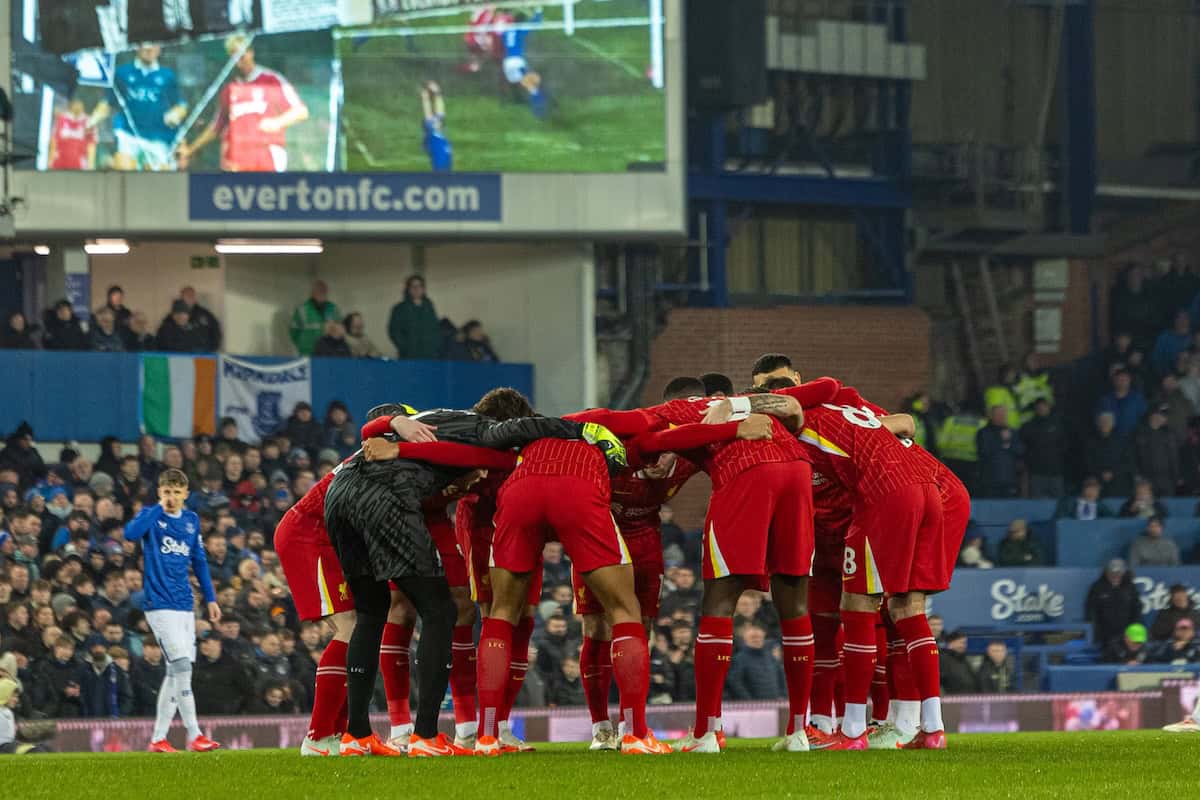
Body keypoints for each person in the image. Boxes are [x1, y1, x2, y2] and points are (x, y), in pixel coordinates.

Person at [123, 468, 221, 753]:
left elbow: (200, 562)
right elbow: (130, 534)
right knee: (180, 667)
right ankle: (195, 734)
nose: (172, 497)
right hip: (159, 604)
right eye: (167, 492)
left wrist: (211, 599)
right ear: (159, 492)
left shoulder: (191, 521)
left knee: (176, 672)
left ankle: (158, 739)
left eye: (177, 492)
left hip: (184, 605)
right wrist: (156, 509)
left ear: (185, 494)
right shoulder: (151, 517)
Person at [177, 33, 309, 173]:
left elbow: (301, 111)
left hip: (267, 160)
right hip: (235, 163)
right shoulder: (229, 89)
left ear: (250, 53)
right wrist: (191, 150)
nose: (239, 62)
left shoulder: (271, 80)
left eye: (241, 56)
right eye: (233, 58)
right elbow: (216, 127)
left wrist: (277, 122)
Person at [90, 43, 186, 171]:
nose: (148, 48)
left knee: (160, 178)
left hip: (158, 138)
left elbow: (181, 105)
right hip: (128, 135)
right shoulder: (122, 73)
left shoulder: (168, 76)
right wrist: (92, 120)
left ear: (159, 49)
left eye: (153, 44)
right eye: (144, 45)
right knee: (124, 169)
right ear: (136, 47)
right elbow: (108, 102)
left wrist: (175, 114)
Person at [1085, 559, 1141, 646]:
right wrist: (1096, 634)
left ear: (1123, 573)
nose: (1115, 577)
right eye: (1112, 574)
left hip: (1126, 634)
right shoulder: (1097, 587)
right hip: (1104, 634)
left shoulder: (1130, 587)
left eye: (1118, 574)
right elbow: (1091, 611)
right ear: (1106, 573)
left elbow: (1136, 610)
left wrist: (1132, 632)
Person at [726, 624, 786, 700]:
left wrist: (783, 696)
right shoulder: (738, 660)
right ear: (745, 638)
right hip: (754, 708)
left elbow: (781, 678)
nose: (756, 639)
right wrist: (749, 701)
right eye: (752, 637)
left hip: (775, 705)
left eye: (759, 637)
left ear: (763, 637)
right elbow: (735, 684)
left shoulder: (771, 658)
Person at [1020, 398, 1066, 498]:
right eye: (1039, 407)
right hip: (1036, 474)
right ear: (1035, 409)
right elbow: (1023, 449)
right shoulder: (1028, 427)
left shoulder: (1058, 425)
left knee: (1058, 504)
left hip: (1056, 473)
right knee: (1037, 504)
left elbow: (1065, 446)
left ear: (1049, 407)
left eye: (1044, 406)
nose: (1041, 409)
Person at [388, 275, 441, 360]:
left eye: (419, 286)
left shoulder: (429, 306)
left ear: (423, 289)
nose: (416, 289)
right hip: (409, 356)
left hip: (431, 355)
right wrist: (406, 347)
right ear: (408, 289)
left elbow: (435, 328)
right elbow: (394, 331)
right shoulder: (399, 308)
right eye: (413, 286)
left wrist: (436, 346)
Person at [975, 404, 1024, 498]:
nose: (1001, 417)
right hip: (990, 479)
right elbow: (984, 451)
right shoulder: (984, 432)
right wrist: (1003, 442)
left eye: (1003, 414)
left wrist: (1007, 444)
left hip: (1009, 479)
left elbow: (1020, 450)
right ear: (991, 416)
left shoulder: (1012, 432)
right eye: (998, 414)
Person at [1084, 412, 1136, 498]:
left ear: (1112, 424)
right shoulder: (1091, 441)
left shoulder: (1121, 441)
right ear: (1098, 423)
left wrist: (1113, 473)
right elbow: (1088, 461)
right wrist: (1100, 473)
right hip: (1097, 483)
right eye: (1103, 422)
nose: (1105, 424)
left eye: (1108, 422)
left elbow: (1128, 461)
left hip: (1119, 483)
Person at [1134, 406, 1180, 498]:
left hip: (1166, 480)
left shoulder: (1169, 433)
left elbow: (1174, 458)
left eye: (1165, 415)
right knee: (1150, 510)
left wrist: (1176, 477)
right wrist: (1139, 477)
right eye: (1162, 414)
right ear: (1153, 415)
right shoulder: (1140, 433)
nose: (1165, 418)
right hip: (1147, 480)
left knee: (1167, 508)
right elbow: (1135, 457)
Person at [288, 282, 339, 357]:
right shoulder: (302, 310)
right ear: (312, 293)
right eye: (318, 291)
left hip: (329, 355)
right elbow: (293, 332)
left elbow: (340, 331)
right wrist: (302, 345)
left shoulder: (333, 309)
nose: (321, 293)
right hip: (307, 354)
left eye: (323, 291)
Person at [1097, 369, 1147, 438]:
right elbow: (1101, 422)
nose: (1122, 382)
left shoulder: (1137, 398)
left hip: (1134, 438)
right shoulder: (1105, 400)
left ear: (1129, 381)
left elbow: (1144, 416)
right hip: (1112, 439)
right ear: (1114, 381)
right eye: (1120, 379)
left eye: (1125, 380)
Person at [49, 98, 97, 170]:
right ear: (71, 104)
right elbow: (54, 140)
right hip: (59, 163)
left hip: (80, 164)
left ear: (83, 106)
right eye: (75, 103)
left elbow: (91, 145)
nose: (77, 106)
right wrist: (50, 160)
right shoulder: (61, 119)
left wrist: (91, 165)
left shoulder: (88, 122)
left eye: (79, 103)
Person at [420, 81, 453, 172]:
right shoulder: (432, 133)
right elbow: (430, 112)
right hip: (440, 167)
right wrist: (425, 98)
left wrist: (437, 92)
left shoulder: (439, 133)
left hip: (444, 163)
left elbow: (440, 113)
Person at [178, 288, 221, 352]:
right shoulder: (172, 317)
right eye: (185, 296)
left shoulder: (206, 315)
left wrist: (211, 350)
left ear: (195, 298)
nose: (188, 299)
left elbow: (216, 332)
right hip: (178, 355)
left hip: (203, 355)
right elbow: (164, 336)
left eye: (191, 296)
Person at [1153, 309, 1193, 376]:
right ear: (1175, 320)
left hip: (1190, 376)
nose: (1182, 321)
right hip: (1167, 376)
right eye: (1179, 318)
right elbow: (1156, 359)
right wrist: (1166, 375)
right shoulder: (1165, 336)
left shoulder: (1194, 337)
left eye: (1185, 317)